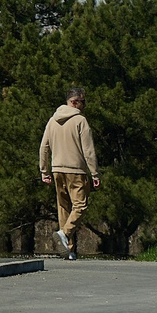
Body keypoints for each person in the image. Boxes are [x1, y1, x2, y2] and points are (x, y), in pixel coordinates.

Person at [38, 88, 101, 260]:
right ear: (74, 102)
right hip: (76, 170)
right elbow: (88, 150)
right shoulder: (80, 120)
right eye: (83, 101)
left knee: (64, 208)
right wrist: (94, 174)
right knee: (80, 206)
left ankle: (69, 250)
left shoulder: (52, 120)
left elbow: (44, 147)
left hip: (57, 169)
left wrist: (44, 170)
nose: (85, 105)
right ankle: (64, 235)